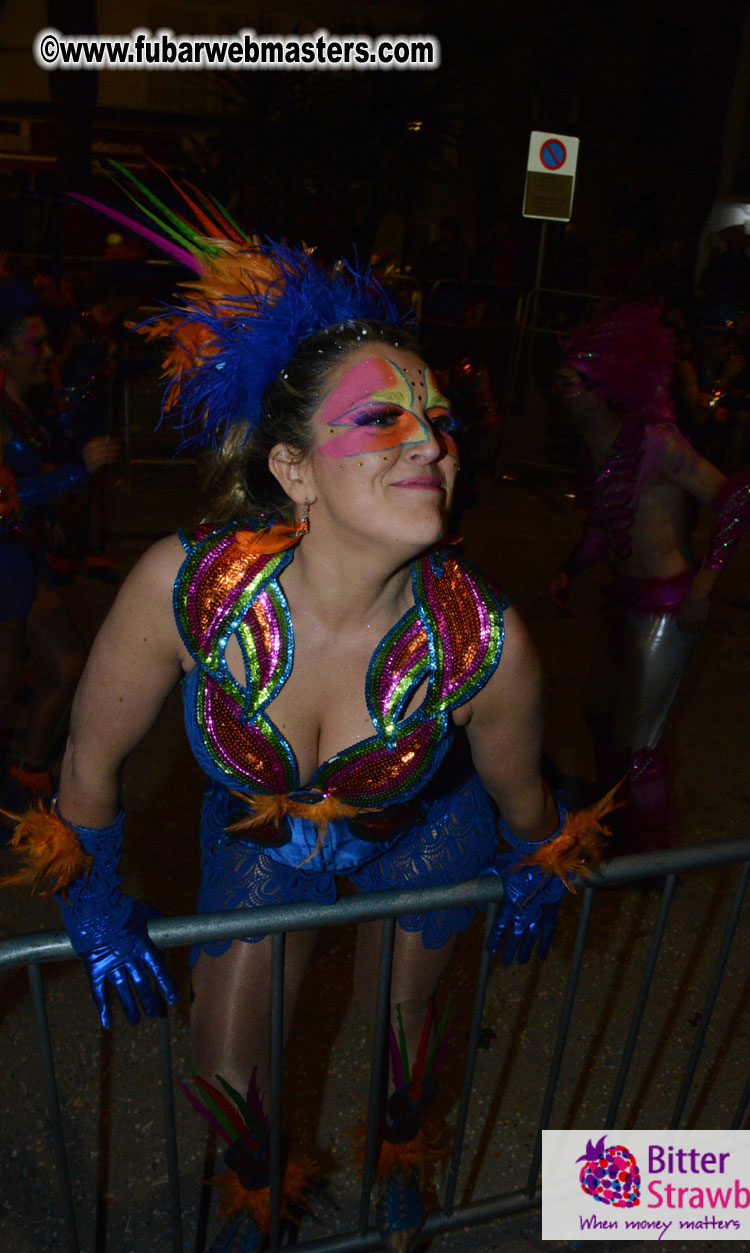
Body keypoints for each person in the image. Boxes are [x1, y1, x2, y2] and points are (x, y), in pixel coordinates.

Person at [2, 177, 614, 1253]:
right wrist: (91, 903)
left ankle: (398, 1166)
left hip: (424, 831)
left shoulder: (483, 641)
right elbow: (89, 768)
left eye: (439, 420)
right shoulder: (186, 592)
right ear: (291, 469)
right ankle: (252, 1199)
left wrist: (536, 869)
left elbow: (525, 799)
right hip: (261, 838)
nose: (428, 442)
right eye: (380, 419)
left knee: (400, 1026)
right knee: (224, 1060)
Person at [550, 303, 750, 854]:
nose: (558, 391)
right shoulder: (597, 445)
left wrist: (705, 584)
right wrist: (570, 570)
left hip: (667, 604)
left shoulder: (656, 440)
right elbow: (611, 523)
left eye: (568, 383)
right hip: (625, 598)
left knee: (640, 742)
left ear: (601, 387)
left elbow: (739, 498)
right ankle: (616, 813)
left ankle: (648, 852)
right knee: (597, 708)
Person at [0, 282, 118, 807]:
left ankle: (27, 769)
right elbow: (6, 499)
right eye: (33, 344)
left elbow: (64, 420)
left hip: (23, 560)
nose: (45, 352)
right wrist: (78, 472)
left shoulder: (22, 404)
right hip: (4, 565)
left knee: (70, 666)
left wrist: (94, 363)